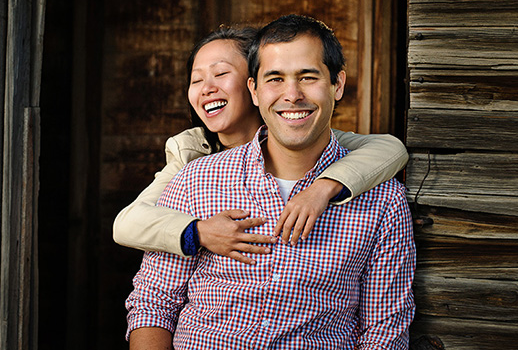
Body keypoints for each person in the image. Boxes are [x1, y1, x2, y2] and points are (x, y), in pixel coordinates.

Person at [126, 14, 416, 349]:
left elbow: (385, 331)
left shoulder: (383, 201)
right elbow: (153, 304)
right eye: (275, 79)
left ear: (338, 84)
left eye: (307, 77)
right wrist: (199, 232)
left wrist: (324, 188)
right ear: (255, 89)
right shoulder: (195, 177)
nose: (292, 95)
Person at [113, 27, 408, 264]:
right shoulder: (192, 157)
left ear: (253, 83)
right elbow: (128, 223)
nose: (206, 88)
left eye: (220, 74)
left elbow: (389, 149)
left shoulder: (305, 138)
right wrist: (200, 232)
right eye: (196, 79)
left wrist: (322, 188)